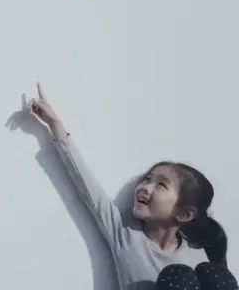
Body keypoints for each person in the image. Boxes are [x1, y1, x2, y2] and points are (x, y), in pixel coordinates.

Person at [25, 82, 234, 290]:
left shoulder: (198, 257)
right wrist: (55, 124)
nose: (146, 187)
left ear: (184, 214)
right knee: (178, 278)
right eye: (147, 179)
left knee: (206, 278)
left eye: (161, 185)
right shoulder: (124, 234)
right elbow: (86, 184)